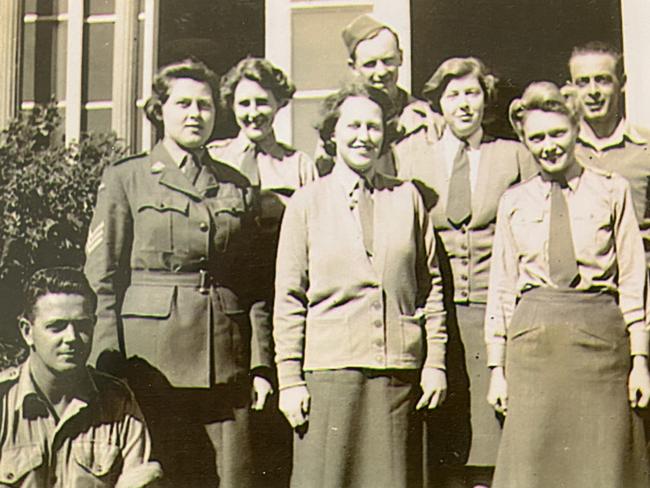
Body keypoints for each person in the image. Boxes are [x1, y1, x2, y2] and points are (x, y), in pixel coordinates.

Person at [84, 58, 273, 487]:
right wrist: (105, 361)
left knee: (230, 478)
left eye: (204, 106)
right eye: (183, 103)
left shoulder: (235, 185)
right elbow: (103, 277)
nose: (195, 114)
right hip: (150, 359)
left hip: (224, 359)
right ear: (159, 110)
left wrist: (262, 364)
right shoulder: (127, 179)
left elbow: (254, 285)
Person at [273, 82, 447, 488]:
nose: (363, 137)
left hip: (397, 376)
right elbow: (288, 298)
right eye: (353, 126)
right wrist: (290, 380)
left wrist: (435, 362)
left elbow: (431, 287)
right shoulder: (307, 202)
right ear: (332, 133)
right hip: (331, 376)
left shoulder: (407, 198)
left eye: (373, 127)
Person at [485, 81, 650, 487]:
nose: (548, 146)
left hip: (601, 349)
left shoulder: (611, 191)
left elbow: (632, 278)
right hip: (533, 351)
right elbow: (503, 287)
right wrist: (496, 369)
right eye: (536, 138)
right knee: (535, 470)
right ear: (524, 141)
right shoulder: (514, 201)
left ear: (576, 129)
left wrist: (640, 362)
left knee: (602, 467)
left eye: (557, 133)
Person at [396, 57, 536, 488]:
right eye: (453, 95)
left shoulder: (512, 155)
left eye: (472, 93)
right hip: (434, 315)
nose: (463, 104)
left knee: (489, 436)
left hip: (490, 313)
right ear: (438, 102)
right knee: (438, 435)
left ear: (485, 100)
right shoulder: (408, 156)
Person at [207, 56, 317, 487]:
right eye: (243, 103)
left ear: (279, 104)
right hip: (232, 299)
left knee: (277, 415)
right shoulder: (216, 158)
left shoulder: (298, 164)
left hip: (281, 298)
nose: (253, 112)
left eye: (262, 102)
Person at [0, 267, 161, 487]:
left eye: (82, 326)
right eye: (56, 327)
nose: (72, 338)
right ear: (27, 331)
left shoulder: (118, 405)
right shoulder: (3, 404)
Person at [316, 14, 442, 176]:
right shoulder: (337, 123)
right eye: (370, 64)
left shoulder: (429, 119)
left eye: (388, 61)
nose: (381, 72)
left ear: (401, 58)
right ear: (353, 67)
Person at [568, 41, 650, 264]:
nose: (593, 92)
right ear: (571, 88)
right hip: (583, 291)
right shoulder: (560, 152)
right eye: (583, 83)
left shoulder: (646, 148)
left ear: (621, 83)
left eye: (602, 80)